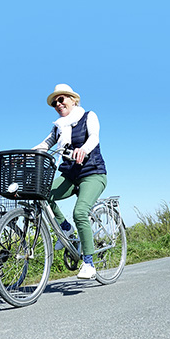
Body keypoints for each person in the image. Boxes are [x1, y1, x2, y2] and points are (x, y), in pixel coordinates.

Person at [34, 84, 107, 279]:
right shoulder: (58, 127)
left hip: (92, 174)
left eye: (61, 99)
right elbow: (45, 144)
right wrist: (27, 154)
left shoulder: (88, 116)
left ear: (73, 100)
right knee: (42, 194)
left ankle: (89, 263)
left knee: (80, 212)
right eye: (55, 102)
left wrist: (83, 149)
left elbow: (94, 137)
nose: (58, 104)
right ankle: (66, 230)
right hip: (69, 175)